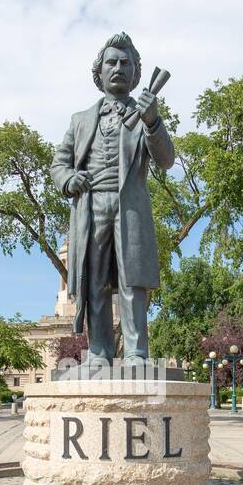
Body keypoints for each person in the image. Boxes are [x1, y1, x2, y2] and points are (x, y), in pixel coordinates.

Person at [50, 32, 174, 368]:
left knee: (132, 281)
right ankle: (100, 354)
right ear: (99, 72)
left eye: (126, 63)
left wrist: (153, 120)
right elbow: (58, 164)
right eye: (111, 62)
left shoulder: (146, 113)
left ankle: (135, 353)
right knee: (96, 281)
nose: (118, 68)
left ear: (135, 73)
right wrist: (68, 179)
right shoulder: (80, 121)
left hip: (129, 207)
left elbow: (165, 159)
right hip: (91, 208)